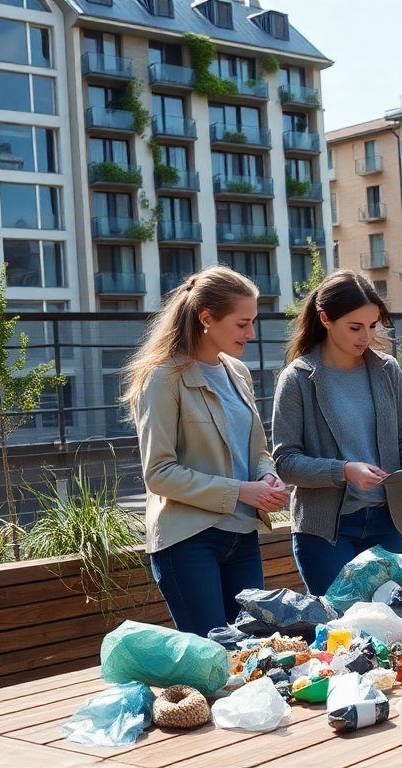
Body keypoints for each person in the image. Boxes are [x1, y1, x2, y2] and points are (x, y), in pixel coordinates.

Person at [121, 265, 289, 637]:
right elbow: (159, 473)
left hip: (243, 535)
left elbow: (257, 448)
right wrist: (243, 491)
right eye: (242, 323)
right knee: (212, 662)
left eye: (253, 321)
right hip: (188, 542)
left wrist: (267, 476)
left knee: (255, 651)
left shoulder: (238, 372)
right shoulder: (163, 378)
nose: (251, 333)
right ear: (207, 318)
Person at [271, 271, 402, 595]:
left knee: (392, 631)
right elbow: (285, 462)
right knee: (342, 634)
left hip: (386, 522)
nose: (365, 336)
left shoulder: (387, 370)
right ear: (325, 319)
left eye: (372, 325)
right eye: (355, 327)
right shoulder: (297, 379)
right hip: (326, 534)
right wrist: (344, 471)